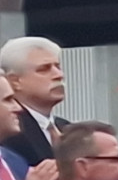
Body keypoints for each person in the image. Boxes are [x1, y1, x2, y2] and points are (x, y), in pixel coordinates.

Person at [0, 36, 68, 168]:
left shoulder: (67, 129)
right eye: (44, 69)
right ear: (15, 81)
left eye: (57, 66)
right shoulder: (8, 133)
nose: (59, 75)